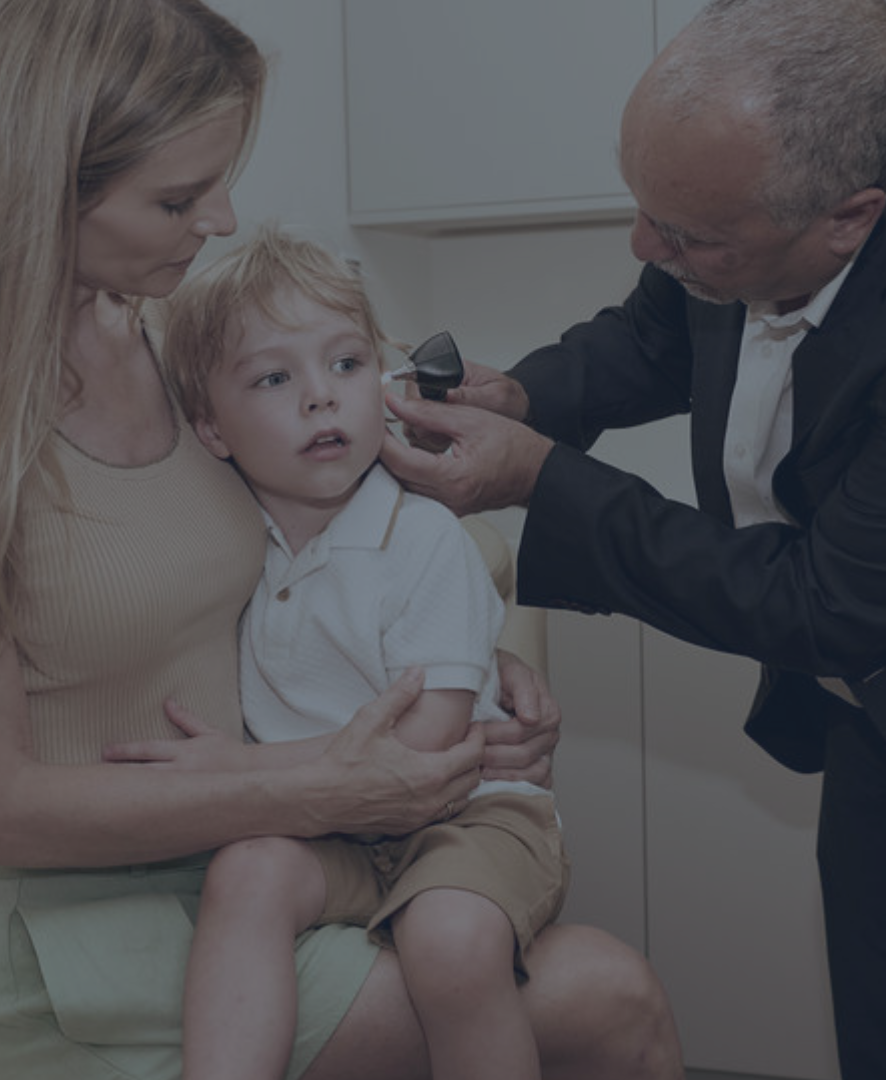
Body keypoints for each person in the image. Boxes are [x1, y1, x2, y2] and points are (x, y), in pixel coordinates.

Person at [0, 1, 680, 1077]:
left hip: (260, 861)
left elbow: (235, 576)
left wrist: (457, 664)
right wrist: (331, 780)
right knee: (608, 1000)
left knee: (596, 988)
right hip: (87, 934)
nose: (222, 218)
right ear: (42, 186)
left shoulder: (151, 333)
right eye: (178, 198)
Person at [381, 0, 886, 1075]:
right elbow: (662, 326)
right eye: (648, 211)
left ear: (851, 216)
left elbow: (823, 604)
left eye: (688, 235)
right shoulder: (756, 187)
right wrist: (527, 397)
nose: (646, 248)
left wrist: (543, 480)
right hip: (876, 721)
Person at [143, 226, 565, 1080]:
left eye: (346, 365)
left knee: (448, 939)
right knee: (247, 873)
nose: (320, 399)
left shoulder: (424, 542)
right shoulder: (235, 547)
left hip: (463, 813)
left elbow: (429, 740)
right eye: (273, 378)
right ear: (211, 430)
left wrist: (238, 771)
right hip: (334, 827)